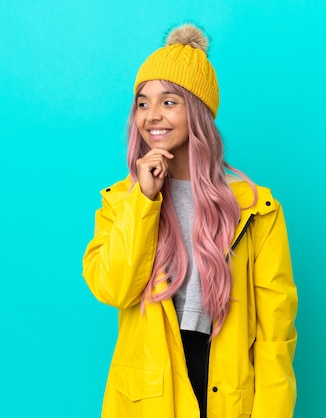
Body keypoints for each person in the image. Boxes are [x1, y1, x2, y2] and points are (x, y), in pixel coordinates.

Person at [82, 23, 297, 418]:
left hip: (224, 388)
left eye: (169, 101)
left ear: (198, 110)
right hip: (149, 395)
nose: (152, 116)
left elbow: (275, 334)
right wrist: (144, 201)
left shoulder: (255, 208)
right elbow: (115, 289)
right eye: (142, 103)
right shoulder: (121, 202)